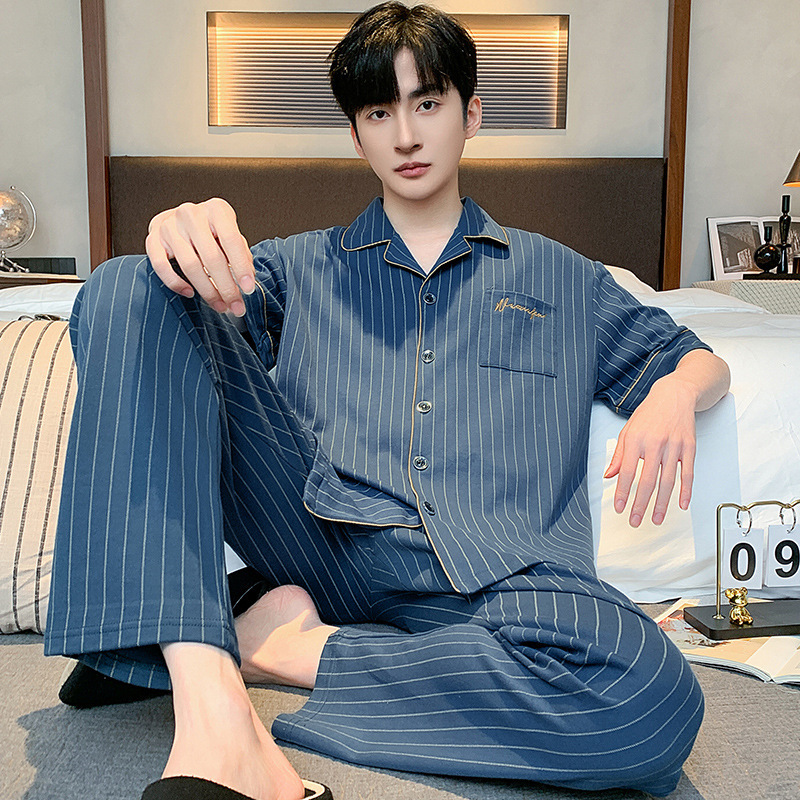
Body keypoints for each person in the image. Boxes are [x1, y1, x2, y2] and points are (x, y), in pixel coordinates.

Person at [44, 4, 731, 800]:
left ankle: (278, 645)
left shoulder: (567, 278)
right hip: (319, 539)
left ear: (471, 114)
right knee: (129, 284)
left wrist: (675, 390)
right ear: (356, 135)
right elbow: (182, 324)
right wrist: (180, 233)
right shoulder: (295, 267)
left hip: (505, 580)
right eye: (379, 112)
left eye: (427, 103)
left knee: (651, 696)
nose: (405, 135)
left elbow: (698, 359)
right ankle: (212, 712)